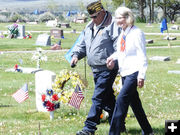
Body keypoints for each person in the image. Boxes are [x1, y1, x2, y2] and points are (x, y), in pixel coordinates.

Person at [70, 1, 121, 135]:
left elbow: (119, 45)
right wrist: (76, 56)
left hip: (108, 68)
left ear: (102, 12)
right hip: (95, 69)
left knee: (98, 98)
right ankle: (118, 124)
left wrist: (114, 59)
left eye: (95, 17)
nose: (93, 20)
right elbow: (82, 44)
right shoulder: (90, 25)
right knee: (107, 99)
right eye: (91, 17)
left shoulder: (112, 24)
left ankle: (89, 128)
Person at [106, 7, 154, 135]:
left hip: (134, 72)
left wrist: (141, 75)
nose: (117, 21)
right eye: (116, 18)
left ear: (128, 18)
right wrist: (112, 57)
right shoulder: (123, 33)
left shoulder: (136, 33)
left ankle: (114, 132)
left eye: (120, 18)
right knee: (135, 104)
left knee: (121, 100)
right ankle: (148, 131)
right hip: (124, 72)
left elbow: (142, 55)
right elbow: (122, 52)